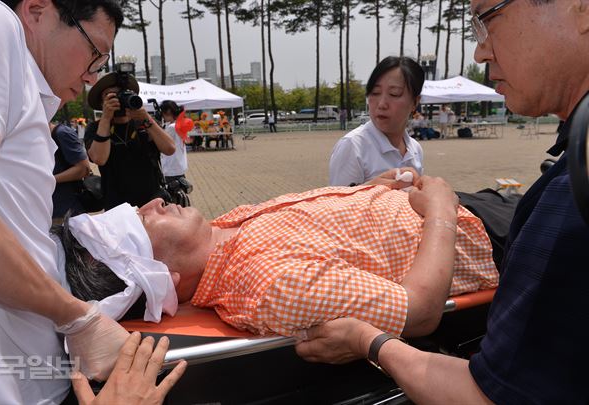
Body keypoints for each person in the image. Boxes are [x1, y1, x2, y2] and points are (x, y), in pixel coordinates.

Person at [295, 1, 589, 403]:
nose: (480, 52)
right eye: (376, 93)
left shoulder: (570, 197)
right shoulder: (354, 146)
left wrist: (366, 339)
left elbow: (483, 393)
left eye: (487, 20)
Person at [0, 1, 131, 402]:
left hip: (25, 369)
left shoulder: (33, 93)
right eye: (94, 53)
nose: (92, 76)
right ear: (36, 12)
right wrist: (77, 317)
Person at [56, 175, 498, 338]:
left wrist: (363, 191)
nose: (153, 203)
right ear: (166, 277)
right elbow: (418, 312)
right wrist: (440, 207)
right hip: (485, 234)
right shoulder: (268, 286)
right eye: (141, 222)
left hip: (460, 209)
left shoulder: (221, 231)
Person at [329, 56, 425, 186]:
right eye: (375, 92)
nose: (381, 104)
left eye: (394, 94)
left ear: (415, 102)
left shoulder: (415, 149)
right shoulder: (353, 146)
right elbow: (337, 203)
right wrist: (369, 189)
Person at [85, 72, 175, 211]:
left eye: (122, 94)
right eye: (111, 96)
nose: (119, 100)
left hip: (152, 205)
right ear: (102, 102)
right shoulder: (96, 128)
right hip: (116, 208)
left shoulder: (144, 124)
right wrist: (106, 118)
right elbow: (99, 158)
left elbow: (170, 149)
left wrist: (146, 118)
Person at [51, 122, 91, 220]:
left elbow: (83, 169)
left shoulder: (61, 133)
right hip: (46, 212)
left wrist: (48, 180)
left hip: (68, 212)